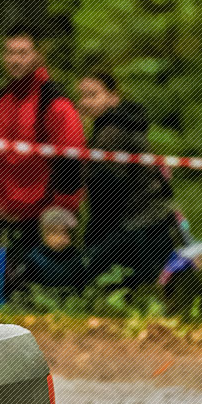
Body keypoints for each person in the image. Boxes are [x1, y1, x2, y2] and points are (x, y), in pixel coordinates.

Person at [0, 28, 86, 286]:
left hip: (39, 219)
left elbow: (71, 162)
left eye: (22, 53)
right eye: (9, 53)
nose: (14, 60)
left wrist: (58, 217)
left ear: (39, 55)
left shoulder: (55, 103)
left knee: (31, 290)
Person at [75, 71, 177, 287]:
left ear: (113, 96)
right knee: (142, 286)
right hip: (151, 217)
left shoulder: (112, 132)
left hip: (136, 222)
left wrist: (94, 236)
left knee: (92, 276)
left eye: (92, 95)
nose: (85, 102)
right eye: (82, 96)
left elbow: (107, 189)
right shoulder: (124, 121)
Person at [22, 207, 86, 291]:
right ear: (45, 234)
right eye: (60, 233)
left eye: (69, 234)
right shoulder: (32, 260)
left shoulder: (76, 257)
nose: (66, 239)